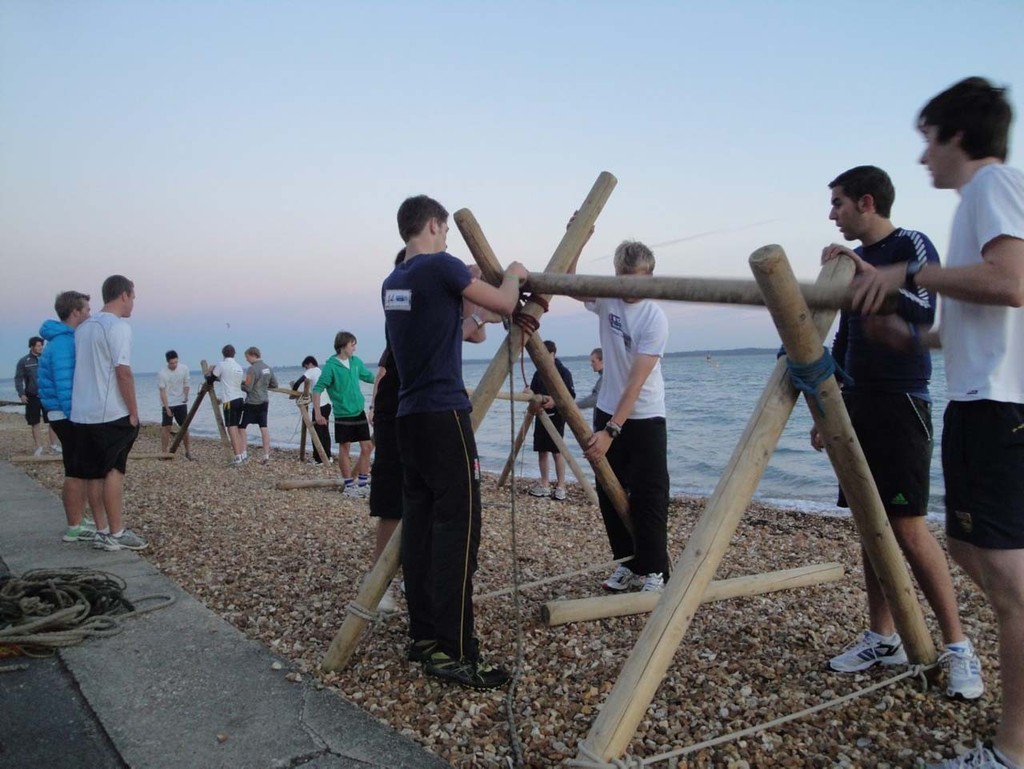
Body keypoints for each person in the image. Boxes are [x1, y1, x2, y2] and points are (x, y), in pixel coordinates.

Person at [849, 77, 1023, 769]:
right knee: (974, 551)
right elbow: (982, 318)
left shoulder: (992, 185)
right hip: (981, 397)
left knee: (1007, 583)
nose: (923, 157)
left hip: (996, 405)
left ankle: (1010, 751)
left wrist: (908, 275)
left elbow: (1011, 281)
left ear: (957, 135)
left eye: (928, 139)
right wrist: (913, 339)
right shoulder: (979, 201)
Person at [812, 165, 982, 701]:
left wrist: (863, 271)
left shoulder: (911, 244)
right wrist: (826, 406)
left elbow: (924, 312)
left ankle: (958, 647)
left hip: (902, 400)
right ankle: (882, 637)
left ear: (866, 202)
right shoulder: (853, 264)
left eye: (837, 203)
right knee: (870, 521)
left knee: (908, 526)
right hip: (856, 401)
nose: (831, 213)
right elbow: (842, 335)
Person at [383, 194, 527, 689]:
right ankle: (458, 650)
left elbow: (462, 330)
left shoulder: (393, 280)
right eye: (444, 230)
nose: (446, 238)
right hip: (444, 416)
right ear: (433, 225)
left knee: (421, 530)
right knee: (459, 530)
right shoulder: (440, 265)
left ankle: (424, 636)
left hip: (409, 419)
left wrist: (473, 309)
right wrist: (513, 272)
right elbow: (507, 301)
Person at [572, 240, 671, 594]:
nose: (630, 288)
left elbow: (635, 383)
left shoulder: (654, 318)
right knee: (608, 491)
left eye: (639, 280)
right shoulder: (608, 298)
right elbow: (569, 280)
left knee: (649, 494)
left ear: (650, 277)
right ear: (616, 275)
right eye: (624, 279)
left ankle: (655, 571)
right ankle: (627, 565)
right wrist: (579, 235)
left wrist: (611, 431)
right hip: (607, 410)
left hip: (643, 414)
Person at [70, 275, 147, 552]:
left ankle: (102, 529)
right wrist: (134, 411)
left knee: (92, 474)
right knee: (113, 471)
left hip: (81, 411)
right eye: (133, 297)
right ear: (124, 295)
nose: (133, 303)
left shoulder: (82, 328)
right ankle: (116, 531)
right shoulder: (117, 327)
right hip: (109, 412)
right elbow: (123, 372)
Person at [37, 290, 107, 543]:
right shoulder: (64, 343)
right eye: (87, 309)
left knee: (78, 468)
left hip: (63, 413)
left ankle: (78, 519)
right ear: (75, 312)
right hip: (67, 414)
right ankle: (74, 526)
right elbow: (66, 385)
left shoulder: (62, 339)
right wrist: (76, 417)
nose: (90, 313)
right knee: (77, 470)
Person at [313, 332, 375, 495]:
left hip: (358, 411)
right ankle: (349, 485)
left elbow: (369, 377)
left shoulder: (356, 362)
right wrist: (318, 414)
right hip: (342, 413)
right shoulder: (331, 366)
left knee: (367, 447)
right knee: (345, 447)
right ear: (343, 346)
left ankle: (363, 483)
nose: (355, 348)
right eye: (352, 344)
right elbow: (317, 389)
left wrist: (386, 378)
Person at [526, 339, 575, 500]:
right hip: (541, 415)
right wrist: (529, 393)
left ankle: (561, 485)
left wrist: (555, 401)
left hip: (557, 416)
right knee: (542, 450)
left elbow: (570, 396)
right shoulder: (538, 372)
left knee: (557, 451)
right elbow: (533, 391)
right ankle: (545, 484)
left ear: (552, 354)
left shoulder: (564, 372)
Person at [15, 336, 56, 456]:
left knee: (53, 420)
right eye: (38, 346)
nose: (40, 348)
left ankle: (54, 445)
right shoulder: (24, 361)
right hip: (32, 396)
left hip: (47, 395)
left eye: (41, 345)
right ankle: (38, 447)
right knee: (35, 422)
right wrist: (21, 394)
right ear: (32, 346)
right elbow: (18, 379)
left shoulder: (46, 359)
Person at [209, 344, 247, 465]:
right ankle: (242, 453)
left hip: (229, 400)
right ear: (234, 354)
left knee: (231, 427)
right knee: (236, 426)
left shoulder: (222, 365)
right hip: (240, 398)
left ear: (223, 354)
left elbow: (210, 380)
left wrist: (209, 371)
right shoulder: (239, 367)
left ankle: (238, 456)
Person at [240, 346, 278, 464]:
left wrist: (239, 385)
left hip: (252, 402)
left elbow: (248, 387)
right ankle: (266, 455)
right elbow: (275, 384)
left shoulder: (251, 369)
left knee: (242, 427)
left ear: (252, 355)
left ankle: (243, 452)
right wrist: (263, 387)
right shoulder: (268, 368)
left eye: (247, 357)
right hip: (264, 401)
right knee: (264, 427)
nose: (246, 360)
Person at [293, 355, 332, 464]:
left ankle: (319, 459)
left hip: (319, 404)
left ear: (309, 364)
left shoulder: (312, 370)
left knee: (317, 432)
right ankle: (328, 456)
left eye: (305, 367)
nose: (306, 369)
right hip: (328, 404)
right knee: (325, 431)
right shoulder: (320, 371)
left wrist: (294, 392)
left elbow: (298, 382)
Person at [158, 350, 194, 459]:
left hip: (180, 402)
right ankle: (164, 452)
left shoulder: (184, 369)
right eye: (171, 363)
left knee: (184, 427)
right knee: (166, 427)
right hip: (168, 403)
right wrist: (167, 407)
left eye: (175, 362)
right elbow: (162, 391)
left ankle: (188, 452)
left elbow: (186, 383)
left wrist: (186, 396)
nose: (174, 365)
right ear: (167, 362)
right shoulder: (162, 373)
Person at [575, 347, 604, 416]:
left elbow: (595, 399)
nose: (591, 364)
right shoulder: (607, 377)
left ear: (602, 361)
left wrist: (575, 405)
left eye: (593, 361)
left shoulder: (605, 378)